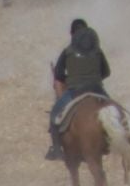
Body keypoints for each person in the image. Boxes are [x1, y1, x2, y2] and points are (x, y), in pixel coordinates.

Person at [47, 20, 111, 159]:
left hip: (75, 91)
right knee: (114, 111)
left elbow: (58, 75)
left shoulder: (68, 51)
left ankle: (56, 149)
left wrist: (72, 78)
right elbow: (106, 72)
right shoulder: (97, 50)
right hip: (97, 89)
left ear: (72, 34)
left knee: (54, 115)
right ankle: (113, 140)